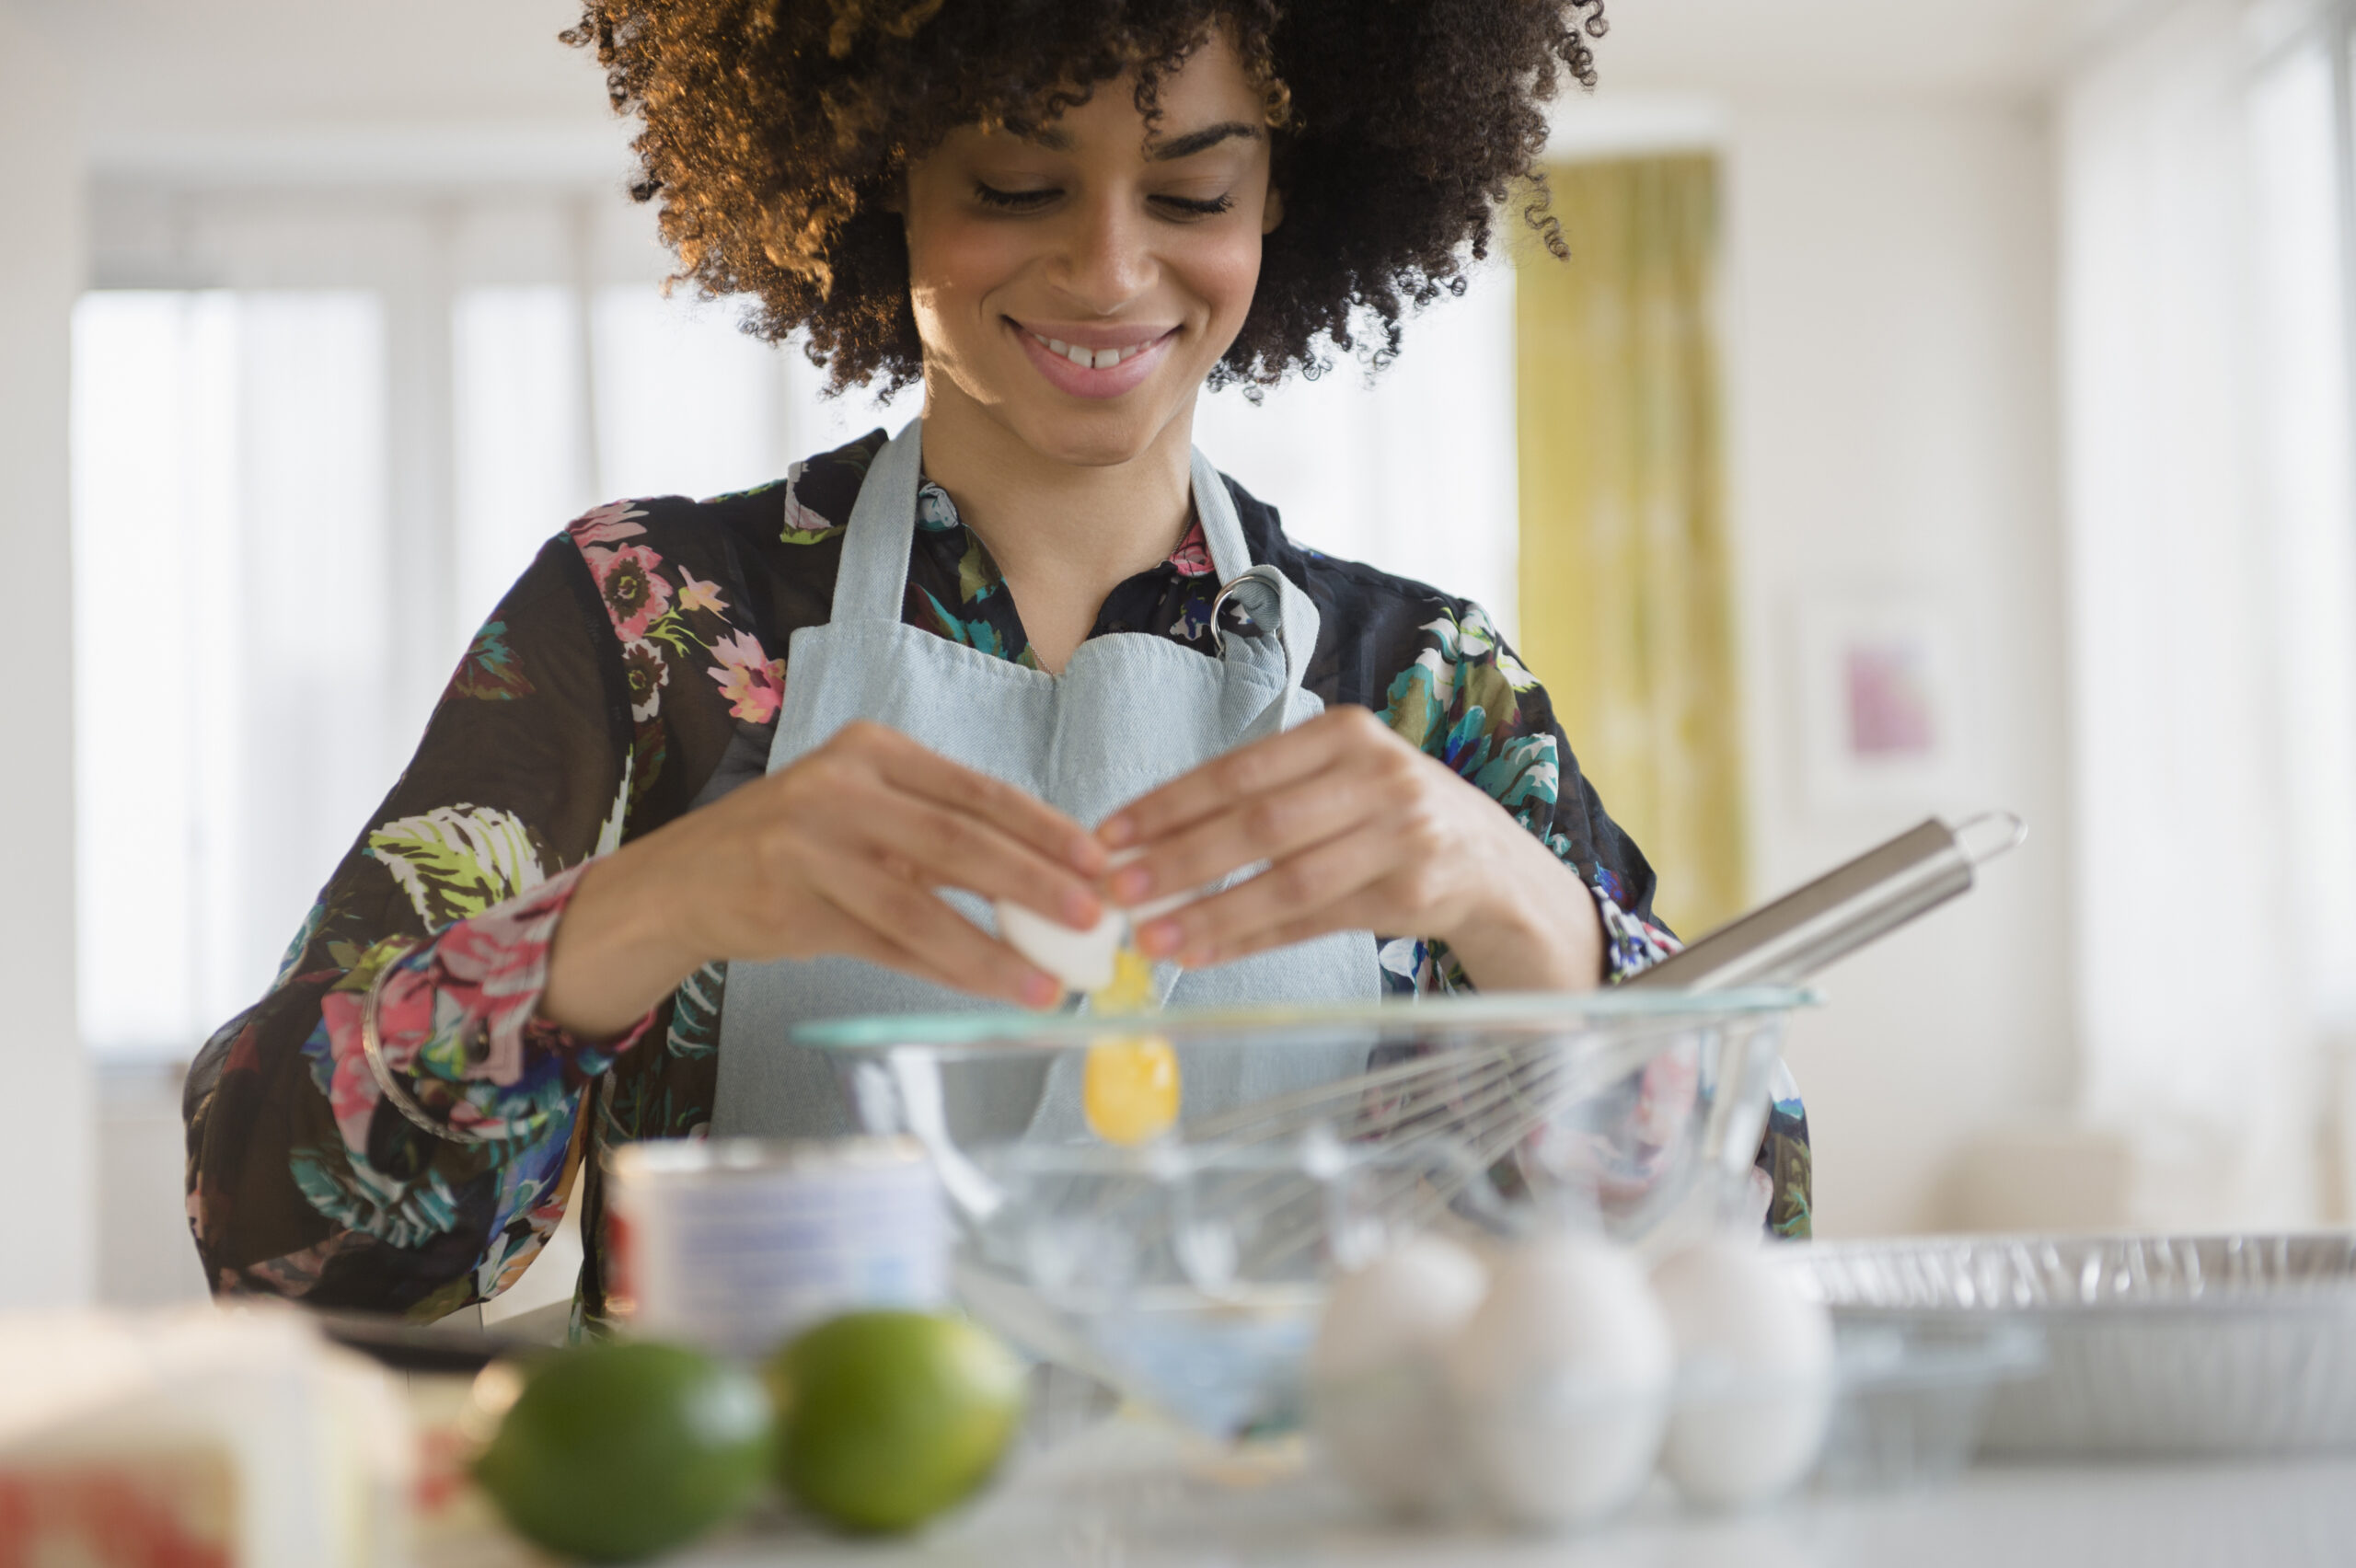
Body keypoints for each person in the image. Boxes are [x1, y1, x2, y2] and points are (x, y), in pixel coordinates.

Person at [183, 0, 1810, 1322]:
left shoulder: (1426, 685)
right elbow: (271, 1228)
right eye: (1017, 187)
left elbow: (1742, 1256)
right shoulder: (654, 619)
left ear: (1283, 203)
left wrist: (1523, 911)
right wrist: (653, 908)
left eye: (1192, 192)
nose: (1110, 271)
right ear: (879, 175)